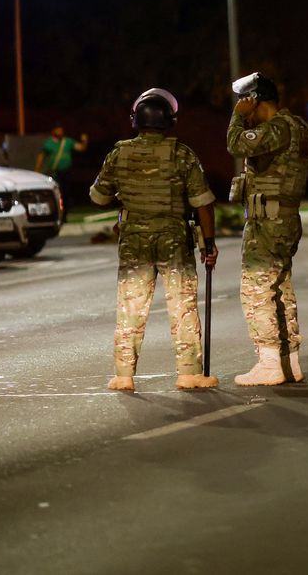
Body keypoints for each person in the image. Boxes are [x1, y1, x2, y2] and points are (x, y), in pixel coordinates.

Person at [89, 88, 219, 392]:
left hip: (134, 239)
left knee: (131, 306)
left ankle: (124, 375)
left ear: (136, 121)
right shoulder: (183, 154)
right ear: (170, 121)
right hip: (174, 238)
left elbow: (98, 197)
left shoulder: (119, 153)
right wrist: (208, 243)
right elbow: (202, 202)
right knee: (182, 305)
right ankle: (189, 374)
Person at [227, 72, 308, 386]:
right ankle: (289, 362)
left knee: (256, 291)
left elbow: (235, 145)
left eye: (242, 100)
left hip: (268, 222)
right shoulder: (296, 127)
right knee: (281, 290)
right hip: (285, 218)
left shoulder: (276, 128)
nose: (239, 105)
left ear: (254, 100)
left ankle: (269, 362)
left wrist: (237, 120)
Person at [36, 124, 89, 218]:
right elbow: (41, 157)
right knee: (57, 193)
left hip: (66, 172)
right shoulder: (48, 143)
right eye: (58, 130)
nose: (60, 132)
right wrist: (37, 170)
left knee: (66, 193)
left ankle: (64, 215)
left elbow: (81, 148)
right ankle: (56, 213)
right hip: (55, 172)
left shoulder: (67, 141)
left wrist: (84, 141)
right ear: (53, 131)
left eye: (61, 130)